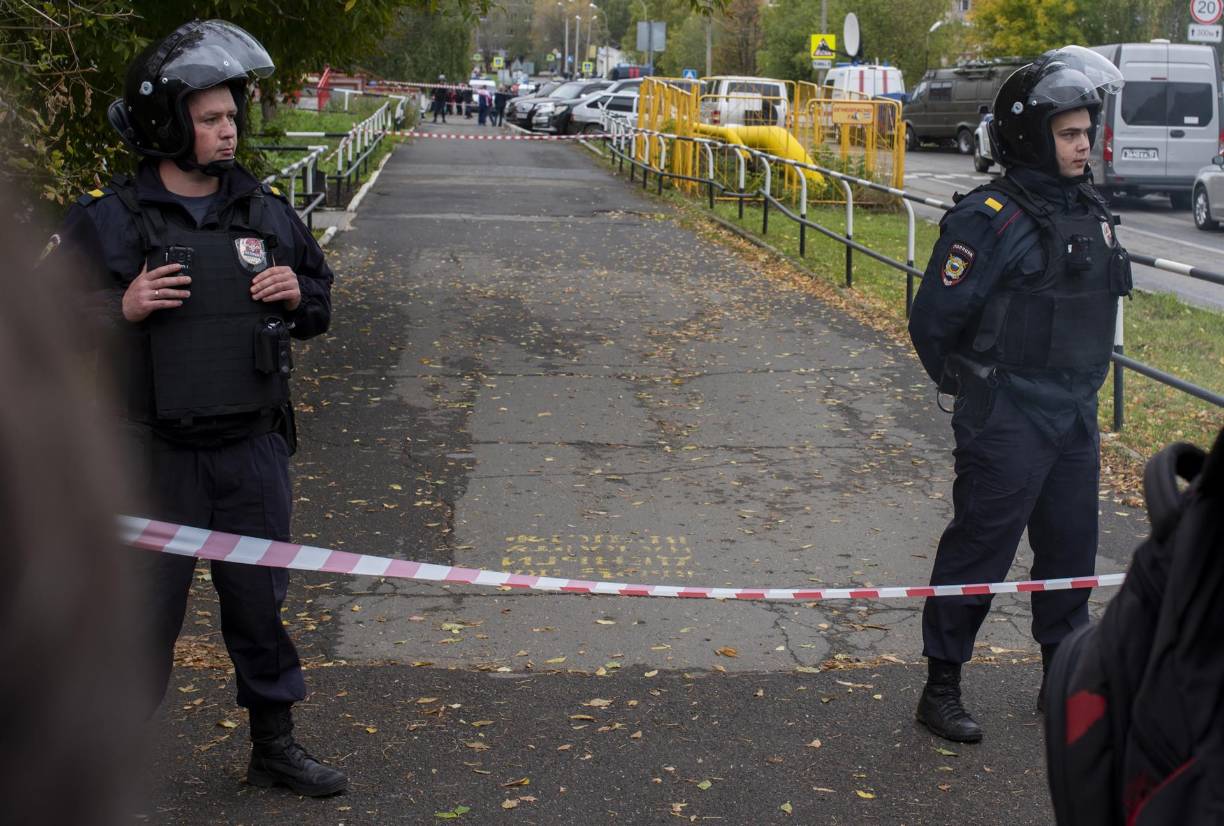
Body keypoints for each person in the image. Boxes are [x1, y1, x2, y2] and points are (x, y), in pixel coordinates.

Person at [51, 19, 347, 796]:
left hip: (250, 452)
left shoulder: (266, 211)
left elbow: (319, 302)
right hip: (153, 457)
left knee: (261, 608)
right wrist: (122, 304)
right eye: (210, 118)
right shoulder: (108, 219)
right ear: (167, 122)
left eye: (231, 116)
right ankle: (95, 767)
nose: (228, 131)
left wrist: (298, 293)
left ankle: (274, 746)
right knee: (141, 621)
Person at [907, 45, 1131, 743]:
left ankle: (1062, 681)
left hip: (1073, 413)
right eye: (1068, 133)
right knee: (980, 549)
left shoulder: (1088, 208)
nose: (1082, 144)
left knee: (1070, 554)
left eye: (1085, 131)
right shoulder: (990, 218)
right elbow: (933, 322)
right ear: (1033, 135)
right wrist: (977, 390)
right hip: (1006, 412)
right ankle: (940, 686)